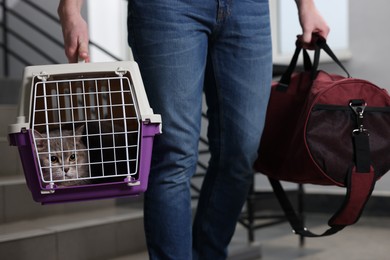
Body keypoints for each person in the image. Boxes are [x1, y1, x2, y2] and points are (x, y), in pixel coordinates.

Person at [58, 0, 329, 259]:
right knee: (174, 155)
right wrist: (70, 9)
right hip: (168, 8)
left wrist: (306, 5)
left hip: (249, 9)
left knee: (241, 154)